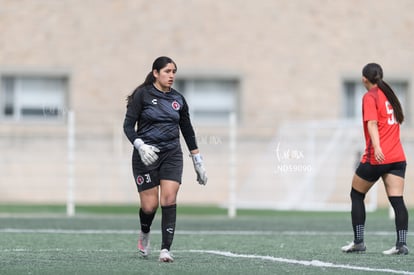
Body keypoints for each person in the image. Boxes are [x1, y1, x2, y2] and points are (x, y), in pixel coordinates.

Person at [123, 56, 207, 262]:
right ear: (155, 73)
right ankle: (144, 232)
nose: (171, 76)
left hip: (172, 154)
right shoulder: (142, 95)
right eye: (167, 71)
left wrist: (197, 159)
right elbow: (127, 127)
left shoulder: (178, 99)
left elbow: (187, 129)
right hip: (146, 156)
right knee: (149, 207)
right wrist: (140, 145)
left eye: (174, 72)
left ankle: (165, 250)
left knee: (169, 198)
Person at [341, 63, 409, 255]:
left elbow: (372, 123)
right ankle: (401, 245)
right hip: (397, 157)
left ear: (364, 79)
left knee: (356, 194)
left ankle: (359, 242)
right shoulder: (390, 94)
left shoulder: (370, 96)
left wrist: (377, 147)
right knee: (397, 201)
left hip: (378, 157)